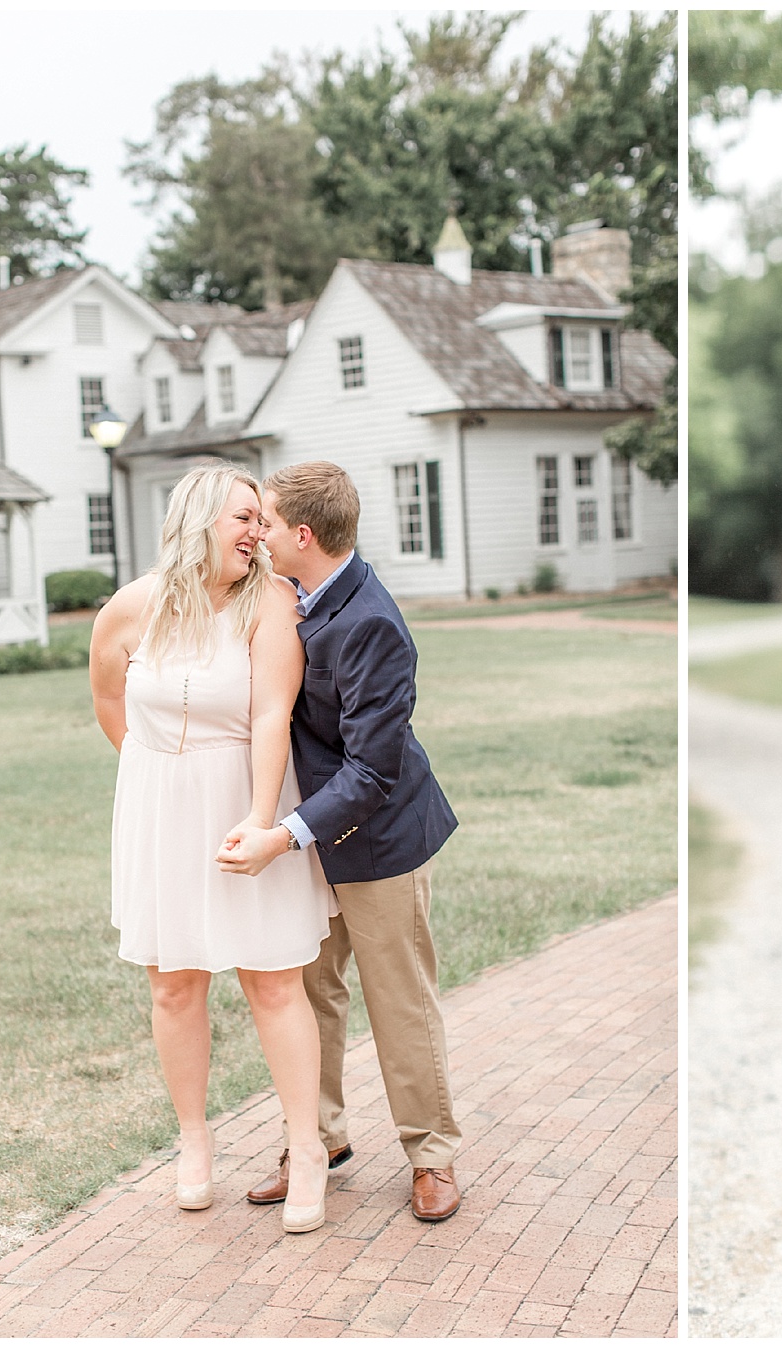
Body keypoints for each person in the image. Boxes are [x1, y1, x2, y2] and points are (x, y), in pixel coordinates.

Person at [89, 462, 336, 1235]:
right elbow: (107, 702)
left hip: (246, 801)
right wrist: (160, 782)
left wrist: (262, 822)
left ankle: (308, 1148)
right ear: (200, 520)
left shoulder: (272, 604)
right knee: (174, 986)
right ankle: (194, 1142)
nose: (258, 533)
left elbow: (271, 718)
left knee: (272, 983)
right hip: (160, 809)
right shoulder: (130, 608)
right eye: (243, 519)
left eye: (260, 522)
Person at [217, 460, 464, 1224]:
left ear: (302, 534)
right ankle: (316, 1142)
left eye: (264, 521)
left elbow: (372, 772)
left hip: (378, 840)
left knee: (401, 1003)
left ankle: (432, 1156)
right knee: (306, 995)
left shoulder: (373, 623)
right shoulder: (285, 595)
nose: (254, 533)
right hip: (304, 840)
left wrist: (283, 837)